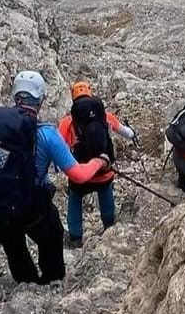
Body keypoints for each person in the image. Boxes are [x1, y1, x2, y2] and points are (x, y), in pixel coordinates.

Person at [0, 70, 110, 285]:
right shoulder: (47, 134)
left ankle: (27, 284)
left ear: (16, 96)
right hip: (29, 206)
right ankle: (52, 281)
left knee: (14, 248)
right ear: (41, 100)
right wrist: (100, 161)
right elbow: (78, 175)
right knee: (52, 235)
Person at [57, 81, 136, 248]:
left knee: (75, 199)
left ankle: (76, 237)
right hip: (104, 171)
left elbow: (58, 145)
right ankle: (109, 228)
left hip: (80, 173)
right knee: (106, 194)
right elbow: (127, 133)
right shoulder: (105, 117)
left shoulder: (68, 122)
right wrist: (132, 132)